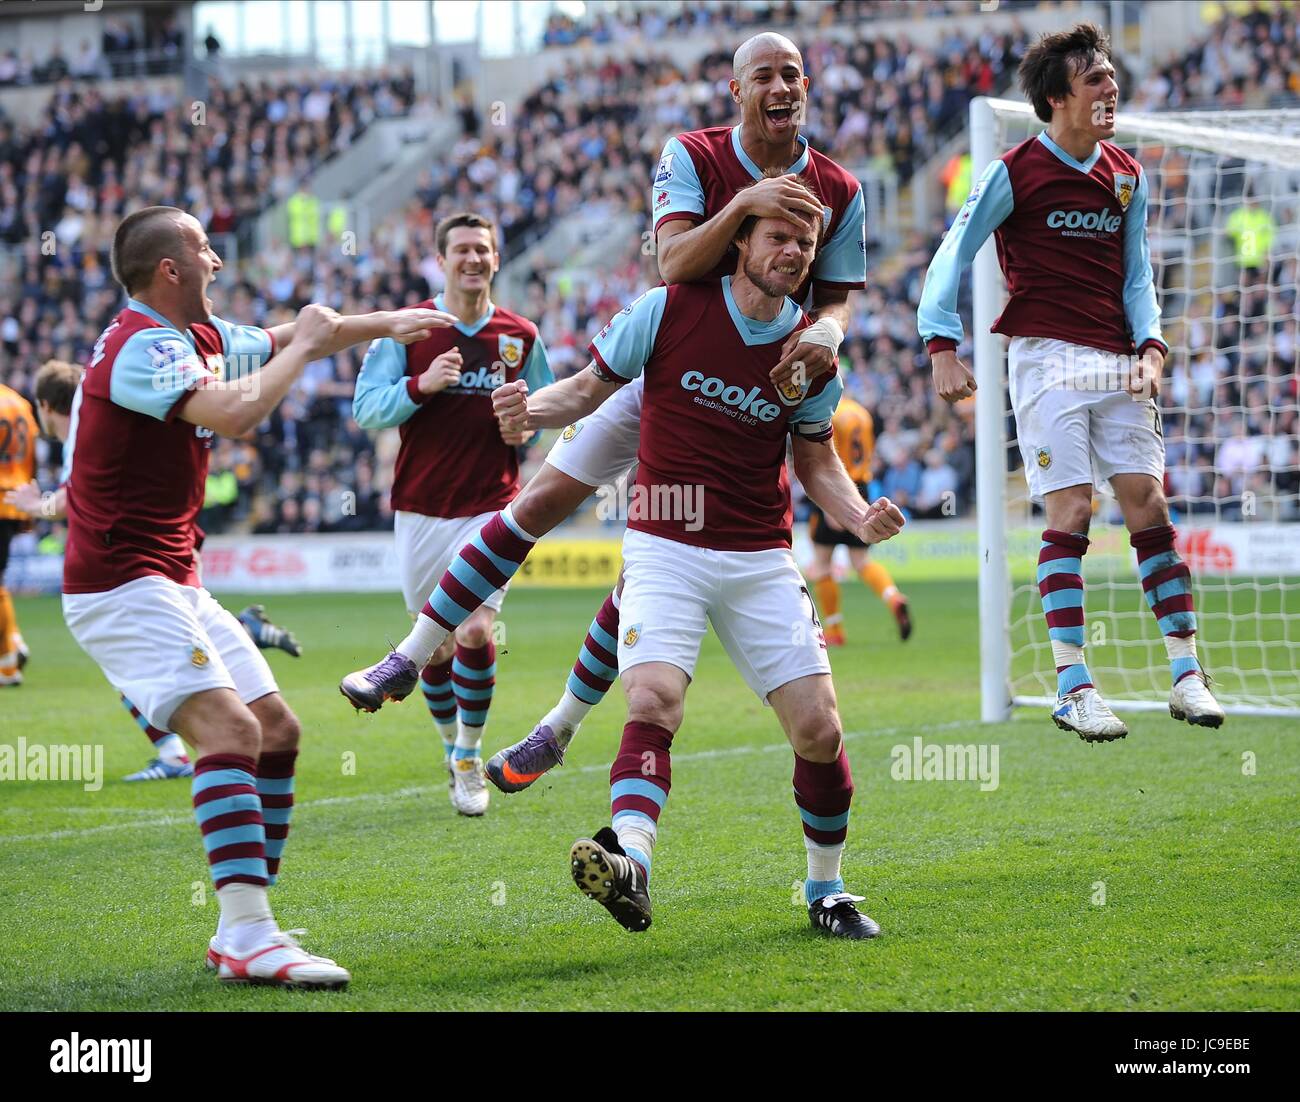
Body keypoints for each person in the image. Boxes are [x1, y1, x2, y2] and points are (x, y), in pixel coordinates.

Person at [341, 32, 868, 798]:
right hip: (670, 366)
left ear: (808, 85)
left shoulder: (840, 188)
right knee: (541, 503)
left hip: (746, 394)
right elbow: (675, 265)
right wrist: (746, 205)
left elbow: (839, 298)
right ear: (737, 91)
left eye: (793, 74)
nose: (781, 86)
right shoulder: (691, 154)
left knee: (657, 568)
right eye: (764, 75)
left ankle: (556, 727)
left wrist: (829, 329)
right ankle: (413, 652)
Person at [495, 192, 903, 937]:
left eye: (806, 247)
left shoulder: (812, 353)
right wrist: (530, 411)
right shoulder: (669, 308)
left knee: (819, 731)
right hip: (665, 543)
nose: (793, 254)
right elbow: (588, 389)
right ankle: (633, 862)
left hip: (758, 553)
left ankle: (827, 890)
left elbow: (815, 459)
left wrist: (857, 515)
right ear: (740, 242)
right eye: (778, 237)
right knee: (652, 700)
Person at [60, 205, 447, 988]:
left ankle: (247, 920)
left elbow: (299, 331)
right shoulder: (141, 348)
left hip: (171, 576)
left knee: (276, 729)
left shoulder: (191, 337)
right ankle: (247, 931)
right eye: (205, 251)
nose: (219, 264)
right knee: (229, 726)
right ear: (170, 270)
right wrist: (308, 341)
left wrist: (393, 322)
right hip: (118, 581)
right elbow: (239, 411)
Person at [917, 22, 1224, 741]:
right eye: (1094, 79)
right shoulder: (1012, 171)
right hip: (1045, 358)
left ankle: (1186, 674)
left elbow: (1139, 277)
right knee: (1074, 512)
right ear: (1057, 98)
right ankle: (1073, 685)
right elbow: (951, 256)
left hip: (1117, 358)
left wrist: (1152, 345)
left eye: (1112, 75)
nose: (1110, 87)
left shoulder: (1127, 173)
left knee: (1147, 503)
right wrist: (942, 344)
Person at [5, 360, 304, 781]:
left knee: (178, 687)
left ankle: (173, 753)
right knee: (148, 661)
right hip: (167, 551)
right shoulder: (121, 414)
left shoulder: (91, 427)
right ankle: (179, 743)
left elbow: (79, 496)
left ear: (44, 405)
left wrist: (40, 506)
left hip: (134, 570)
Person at [350, 211, 552, 816]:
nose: (473, 259)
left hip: (490, 508)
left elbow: (544, 408)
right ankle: (448, 746)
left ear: (495, 259)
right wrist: (421, 387)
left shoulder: (520, 335)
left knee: (473, 630)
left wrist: (525, 424)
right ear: (441, 261)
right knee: (434, 651)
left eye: (483, 250)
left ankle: (468, 757)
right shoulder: (409, 330)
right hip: (420, 510)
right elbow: (366, 409)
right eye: (461, 249)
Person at [805, 392, 911, 645]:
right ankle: (892, 596)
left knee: (822, 562)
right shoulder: (862, 414)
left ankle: (834, 629)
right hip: (861, 485)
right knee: (861, 560)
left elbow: (826, 457)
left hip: (834, 485)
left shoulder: (829, 410)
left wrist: (831, 507)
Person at [0, 378, 37, 686]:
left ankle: (8, 661)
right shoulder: (19, 402)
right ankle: (13, 643)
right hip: (13, 501)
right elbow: (33, 459)